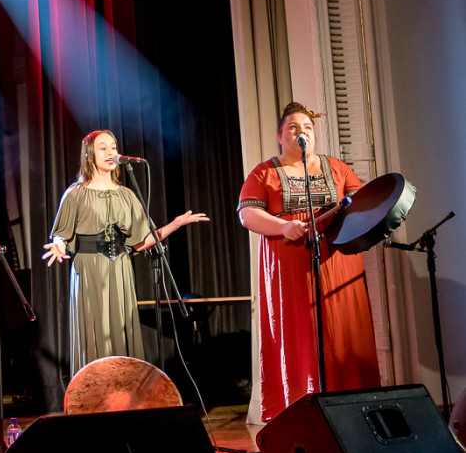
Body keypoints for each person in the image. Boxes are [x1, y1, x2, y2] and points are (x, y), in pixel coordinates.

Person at [237, 101, 380, 421]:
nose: (301, 132)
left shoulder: (337, 168)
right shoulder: (264, 172)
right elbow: (247, 214)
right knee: (300, 333)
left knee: (342, 330)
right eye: (293, 127)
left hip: (336, 261)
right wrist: (282, 226)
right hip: (289, 267)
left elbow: (362, 203)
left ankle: (353, 410)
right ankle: (303, 411)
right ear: (279, 136)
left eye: (307, 127)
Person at [42, 130, 208, 376]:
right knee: (95, 333)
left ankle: (124, 390)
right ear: (89, 155)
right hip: (89, 270)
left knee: (121, 330)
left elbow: (142, 241)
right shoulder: (76, 193)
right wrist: (58, 244)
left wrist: (176, 224)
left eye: (113, 147)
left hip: (120, 268)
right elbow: (61, 234)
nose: (111, 152)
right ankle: (94, 389)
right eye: (103, 148)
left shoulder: (127, 195)